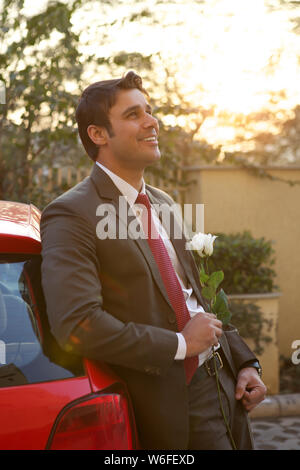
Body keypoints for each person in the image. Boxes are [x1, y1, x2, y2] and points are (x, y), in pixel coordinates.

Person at [40, 71, 266, 450]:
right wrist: (180, 344)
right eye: (133, 115)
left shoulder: (162, 202)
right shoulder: (71, 214)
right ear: (98, 135)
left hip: (228, 387)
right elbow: (77, 324)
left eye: (149, 110)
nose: (151, 122)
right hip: (172, 405)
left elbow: (197, 298)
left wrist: (243, 362)